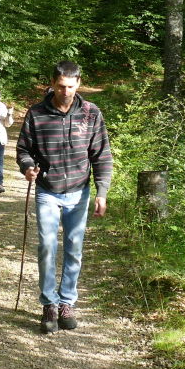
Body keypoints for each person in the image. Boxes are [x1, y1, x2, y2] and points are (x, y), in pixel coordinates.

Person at [15, 61, 112, 334]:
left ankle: (67, 302)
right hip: (47, 190)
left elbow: (102, 155)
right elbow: (23, 149)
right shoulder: (36, 113)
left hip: (79, 192)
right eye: (61, 86)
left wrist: (101, 192)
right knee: (47, 246)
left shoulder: (91, 114)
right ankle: (49, 303)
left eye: (71, 86)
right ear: (53, 82)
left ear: (78, 83)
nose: (66, 91)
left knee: (74, 249)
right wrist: (27, 167)